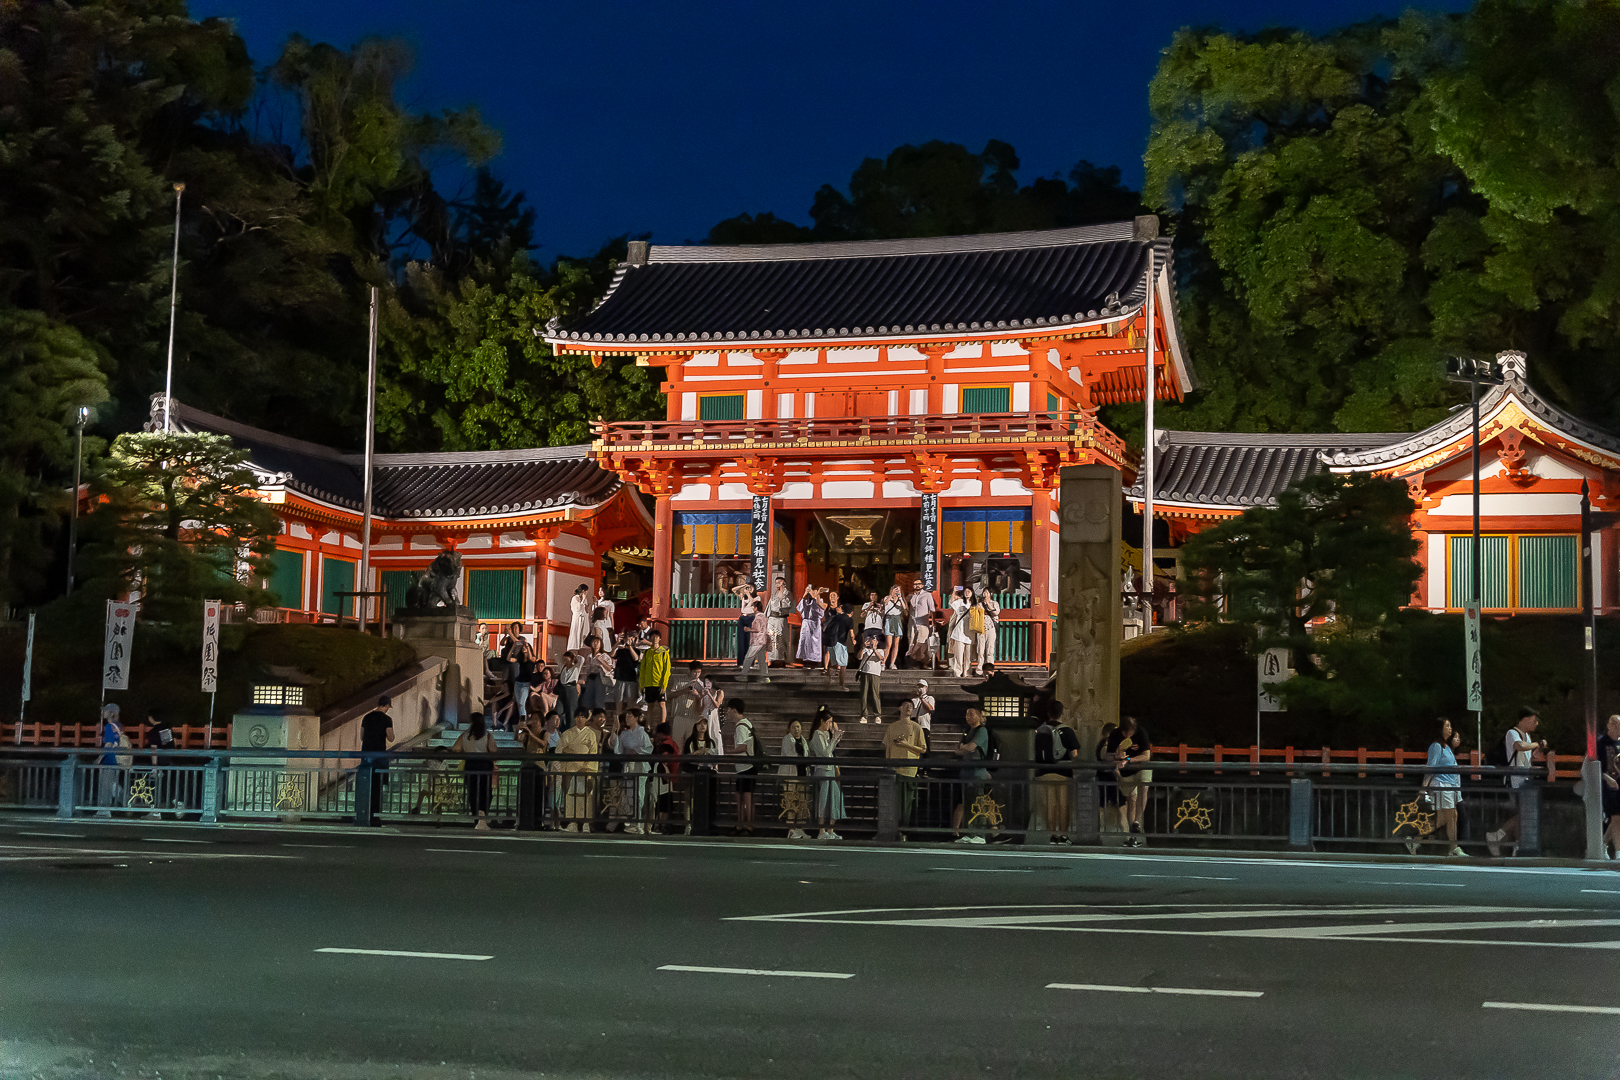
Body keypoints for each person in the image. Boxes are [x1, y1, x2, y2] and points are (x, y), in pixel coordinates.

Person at [1488, 707, 1547, 856]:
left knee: (1523, 814)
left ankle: (1515, 845)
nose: (1536, 724)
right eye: (1534, 720)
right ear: (1525, 719)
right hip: (1516, 781)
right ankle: (1497, 837)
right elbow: (1519, 746)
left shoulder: (1527, 736)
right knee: (1523, 814)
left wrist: (1536, 752)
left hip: (1525, 780)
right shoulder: (1512, 733)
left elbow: (1526, 756)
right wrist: (1537, 745)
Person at [1033, 700, 1080, 844]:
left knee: (1050, 805)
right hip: (1063, 773)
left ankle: (1052, 835)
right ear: (1062, 713)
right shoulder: (1067, 731)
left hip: (1044, 772)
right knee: (1063, 805)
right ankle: (1064, 835)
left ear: (1048, 713)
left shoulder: (1040, 730)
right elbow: (1074, 754)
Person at [1419, 718, 1466, 857]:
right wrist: (1424, 789)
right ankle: (1453, 848)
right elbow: (1431, 768)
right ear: (1440, 729)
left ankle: (1415, 839)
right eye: (1447, 726)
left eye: (1450, 726)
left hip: (1449, 786)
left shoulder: (1446, 747)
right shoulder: (1436, 746)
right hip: (1440, 784)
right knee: (1450, 816)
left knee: (1446, 818)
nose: (1450, 728)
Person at [883, 700, 929, 837]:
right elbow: (887, 747)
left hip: (909, 769)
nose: (909, 707)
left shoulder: (916, 727)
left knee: (906, 803)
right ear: (900, 708)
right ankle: (892, 829)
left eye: (911, 706)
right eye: (906, 705)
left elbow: (923, 748)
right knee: (894, 802)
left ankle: (903, 830)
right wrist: (888, 764)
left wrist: (906, 745)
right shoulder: (892, 727)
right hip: (894, 769)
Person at [1108, 716, 1152, 847]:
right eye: (1125, 732)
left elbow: (1146, 755)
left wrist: (1128, 760)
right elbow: (1108, 756)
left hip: (1141, 766)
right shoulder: (1115, 734)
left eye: (1131, 732)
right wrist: (1117, 757)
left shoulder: (1141, 732)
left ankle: (1137, 822)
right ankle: (1132, 837)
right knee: (1131, 799)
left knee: (1144, 786)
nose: (1128, 734)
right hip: (1126, 773)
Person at [451, 712, 498, 832]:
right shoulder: (487, 736)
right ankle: (483, 817)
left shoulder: (465, 736)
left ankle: (476, 819)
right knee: (486, 794)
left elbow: (455, 748)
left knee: (473, 794)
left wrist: (465, 753)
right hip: (484, 766)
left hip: (471, 765)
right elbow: (493, 750)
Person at [556, 709, 601, 831]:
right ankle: (572, 822)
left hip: (585, 769)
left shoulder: (591, 734)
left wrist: (588, 768)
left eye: (582, 717)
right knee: (571, 795)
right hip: (570, 768)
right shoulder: (567, 733)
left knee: (586, 796)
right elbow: (559, 750)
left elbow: (593, 752)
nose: (580, 719)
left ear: (586, 719)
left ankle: (586, 822)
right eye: (578, 717)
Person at [951, 707, 991, 843]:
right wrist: (964, 748)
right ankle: (970, 832)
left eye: (971, 713)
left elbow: (970, 747)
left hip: (976, 772)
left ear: (980, 716)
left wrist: (964, 747)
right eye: (966, 713)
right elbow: (958, 750)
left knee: (977, 803)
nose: (968, 716)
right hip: (966, 772)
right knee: (967, 804)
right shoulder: (967, 731)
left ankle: (979, 834)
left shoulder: (982, 730)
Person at [614, 707, 652, 835]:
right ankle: (629, 823)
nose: (627, 718)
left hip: (639, 766)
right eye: (626, 716)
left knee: (639, 795)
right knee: (629, 795)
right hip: (628, 766)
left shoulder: (642, 733)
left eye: (630, 716)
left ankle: (638, 823)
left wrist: (637, 752)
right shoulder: (624, 734)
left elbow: (649, 749)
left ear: (636, 718)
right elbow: (618, 750)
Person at [356, 695, 394, 826]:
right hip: (379, 757)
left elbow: (362, 736)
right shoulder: (387, 719)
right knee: (377, 788)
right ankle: (375, 817)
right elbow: (391, 738)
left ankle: (362, 814)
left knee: (365, 786)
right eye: (389, 707)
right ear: (387, 705)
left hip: (366, 755)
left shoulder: (366, 717)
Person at [809, 708, 844, 840]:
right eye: (828, 722)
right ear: (822, 722)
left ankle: (829, 831)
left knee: (833, 799)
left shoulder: (824, 734)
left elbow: (829, 752)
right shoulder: (818, 734)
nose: (830, 725)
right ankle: (821, 831)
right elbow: (824, 753)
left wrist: (835, 739)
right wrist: (834, 739)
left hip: (828, 768)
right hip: (823, 770)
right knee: (823, 800)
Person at [728, 699, 761, 836]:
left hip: (744, 767)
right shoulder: (747, 723)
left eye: (729, 710)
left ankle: (745, 826)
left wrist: (727, 752)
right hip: (749, 766)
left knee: (744, 799)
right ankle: (745, 825)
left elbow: (743, 746)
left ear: (734, 710)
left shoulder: (741, 726)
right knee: (747, 798)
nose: (728, 713)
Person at [684, 714, 721, 832]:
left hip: (706, 773)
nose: (702, 726)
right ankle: (688, 824)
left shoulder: (711, 742)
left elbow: (715, 756)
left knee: (705, 798)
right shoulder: (690, 741)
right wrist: (697, 753)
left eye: (704, 723)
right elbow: (685, 756)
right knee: (689, 798)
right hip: (691, 771)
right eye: (700, 723)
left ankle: (705, 823)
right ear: (695, 725)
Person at [778, 719, 813, 839]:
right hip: (791, 775)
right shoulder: (787, 740)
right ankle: (792, 830)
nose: (796, 729)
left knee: (802, 803)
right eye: (793, 727)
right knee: (791, 803)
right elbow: (792, 754)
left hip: (802, 775)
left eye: (798, 727)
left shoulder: (803, 740)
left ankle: (800, 828)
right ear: (789, 729)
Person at [1596, 714, 1620, 860]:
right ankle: (1618, 852)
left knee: (1617, 819)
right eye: (1616, 725)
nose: (1618, 729)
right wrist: (1606, 778)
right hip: (1608, 784)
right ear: (1609, 725)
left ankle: (1602, 844)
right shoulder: (1601, 743)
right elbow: (1594, 765)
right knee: (1616, 817)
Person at [650, 720, 681, 834]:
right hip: (671, 775)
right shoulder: (673, 743)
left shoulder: (665, 745)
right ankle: (662, 825)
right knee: (666, 802)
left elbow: (663, 759)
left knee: (662, 802)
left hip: (664, 777)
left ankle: (660, 825)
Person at [639, 629, 672, 730]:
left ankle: (662, 724)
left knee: (662, 704)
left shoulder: (663, 652)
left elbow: (667, 669)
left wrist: (664, 684)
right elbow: (643, 669)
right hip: (649, 683)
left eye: (656, 637)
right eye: (652, 637)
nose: (655, 639)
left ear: (660, 638)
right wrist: (641, 684)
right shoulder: (647, 652)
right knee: (650, 706)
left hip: (659, 683)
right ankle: (648, 726)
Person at [500, 624, 536, 719]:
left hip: (525, 683)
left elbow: (518, 643)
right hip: (518, 681)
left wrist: (511, 633)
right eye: (513, 628)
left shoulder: (522, 640)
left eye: (516, 628)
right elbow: (502, 644)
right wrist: (505, 635)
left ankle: (523, 720)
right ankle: (521, 720)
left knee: (521, 703)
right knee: (518, 702)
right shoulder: (519, 659)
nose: (514, 630)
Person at [609, 637, 642, 723]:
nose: (628, 641)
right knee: (618, 701)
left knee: (631, 703)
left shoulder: (636, 651)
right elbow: (612, 655)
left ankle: (629, 722)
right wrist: (616, 644)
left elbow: (636, 658)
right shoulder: (620, 651)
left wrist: (630, 646)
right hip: (620, 678)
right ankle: (618, 722)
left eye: (631, 639)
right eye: (628, 639)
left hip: (631, 679)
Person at [579, 635, 613, 715]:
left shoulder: (604, 655)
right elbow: (587, 669)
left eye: (598, 642)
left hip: (600, 677)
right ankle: (589, 715)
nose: (595, 644)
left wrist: (601, 661)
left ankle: (600, 715)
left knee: (599, 697)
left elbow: (609, 668)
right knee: (587, 697)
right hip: (591, 677)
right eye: (594, 642)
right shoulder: (589, 656)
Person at [822, 599, 853, 687]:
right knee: (843, 665)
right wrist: (854, 641)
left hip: (831, 642)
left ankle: (827, 683)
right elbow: (851, 633)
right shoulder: (848, 619)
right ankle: (841, 685)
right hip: (840, 643)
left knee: (833, 664)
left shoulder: (835, 617)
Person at [906, 580, 936, 668]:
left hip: (923, 622)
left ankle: (910, 656)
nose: (917, 586)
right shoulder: (911, 596)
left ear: (922, 585)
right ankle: (920, 663)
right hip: (912, 622)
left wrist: (933, 622)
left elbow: (932, 609)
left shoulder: (927, 595)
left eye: (919, 584)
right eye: (915, 584)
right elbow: (905, 605)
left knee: (921, 640)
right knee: (913, 641)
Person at [739, 599, 772, 680]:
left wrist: (748, 629)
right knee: (761, 659)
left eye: (753, 607)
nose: (752, 609)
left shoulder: (758, 617)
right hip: (762, 640)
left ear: (756, 608)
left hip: (757, 641)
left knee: (748, 657)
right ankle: (765, 676)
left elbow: (757, 629)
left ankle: (744, 675)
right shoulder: (764, 616)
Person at [856, 632, 885, 723]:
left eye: (873, 640)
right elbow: (859, 657)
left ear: (877, 641)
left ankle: (877, 715)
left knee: (875, 694)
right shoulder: (865, 650)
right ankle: (864, 715)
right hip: (865, 673)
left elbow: (880, 658)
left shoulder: (880, 650)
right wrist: (863, 647)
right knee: (864, 694)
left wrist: (874, 649)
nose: (871, 642)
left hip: (875, 674)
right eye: (869, 640)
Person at [796, 586, 827, 668]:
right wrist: (804, 595)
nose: (812, 593)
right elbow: (800, 609)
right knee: (805, 642)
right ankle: (805, 660)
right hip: (806, 624)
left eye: (814, 592)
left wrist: (815, 598)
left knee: (814, 644)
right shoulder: (805, 601)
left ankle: (814, 662)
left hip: (815, 624)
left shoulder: (820, 601)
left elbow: (820, 612)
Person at [766, 578, 794, 666]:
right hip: (772, 618)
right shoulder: (774, 594)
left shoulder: (787, 593)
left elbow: (786, 604)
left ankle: (781, 660)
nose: (777, 584)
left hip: (780, 618)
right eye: (776, 583)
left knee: (780, 638)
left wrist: (782, 590)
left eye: (779, 582)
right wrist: (766, 617)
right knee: (771, 638)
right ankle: (772, 659)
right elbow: (769, 606)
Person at [946, 586, 971, 677]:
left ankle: (967, 672)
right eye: (966, 591)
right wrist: (954, 591)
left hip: (970, 632)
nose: (967, 593)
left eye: (969, 591)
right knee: (957, 653)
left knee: (968, 655)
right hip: (958, 632)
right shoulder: (959, 603)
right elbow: (951, 602)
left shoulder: (974, 603)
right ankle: (957, 671)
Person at [881, 585, 907, 670]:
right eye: (895, 590)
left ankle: (892, 663)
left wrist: (900, 598)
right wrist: (891, 595)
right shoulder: (887, 598)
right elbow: (885, 604)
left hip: (897, 620)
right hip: (889, 619)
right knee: (888, 644)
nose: (897, 591)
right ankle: (883, 662)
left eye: (898, 590)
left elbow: (904, 607)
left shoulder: (900, 600)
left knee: (896, 644)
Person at [567, 583, 593, 650]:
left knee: (583, 634)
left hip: (584, 618)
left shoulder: (585, 599)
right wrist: (582, 601)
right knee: (576, 632)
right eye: (586, 591)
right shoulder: (575, 598)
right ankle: (574, 647)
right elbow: (577, 608)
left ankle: (582, 646)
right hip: (577, 617)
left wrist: (587, 608)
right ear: (583, 591)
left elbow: (585, 610)